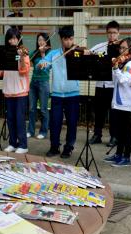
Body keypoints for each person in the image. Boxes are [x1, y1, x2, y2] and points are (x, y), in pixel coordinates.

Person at [38, 26, 89, 158]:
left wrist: (88, 55)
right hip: (57, 95)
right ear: (61, 39)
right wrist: (42, 64)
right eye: (66, 39)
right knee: (55, 123)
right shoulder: (54, 54)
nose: (68, 42)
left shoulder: (77, 52)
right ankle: (54, 147)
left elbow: (89, 63)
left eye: (71, 39)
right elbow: (44, 63)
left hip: (73, 94)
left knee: (72, 123)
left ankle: (69, 147)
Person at [0, 28, 30, 154]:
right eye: (10, 38)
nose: (13, 40)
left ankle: (23, 145)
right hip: (8, 90)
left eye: (15, 38)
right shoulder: (4, 53)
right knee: (10, 118)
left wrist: (20, 58)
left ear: (18, 39)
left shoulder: (24, 53)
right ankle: (13, 143)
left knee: (19, 119)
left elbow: (24, 71)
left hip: (20, 91)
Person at [103, 37, 131, 167]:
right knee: (119, 131)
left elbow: (123, 80)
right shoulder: (123, 63)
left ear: (130, 49)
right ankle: (118, 154)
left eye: (124, 48)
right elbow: (115, 79)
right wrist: (115, 67)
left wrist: (116, 68)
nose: (122, 50)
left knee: (126, 132)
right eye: (121, 48)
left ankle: (126, 157)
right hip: (117, 100)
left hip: (125, 102)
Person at [89, 20, 120, 147]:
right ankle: (97, 135)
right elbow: (89, 53)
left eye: (114, 33)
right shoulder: (100, 46)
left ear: (118, 33)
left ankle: (114, 136)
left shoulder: (121, 48)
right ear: (106, 33)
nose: (112, 35)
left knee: (113, 113)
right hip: (100, 84)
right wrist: (89, 53)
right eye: (109, 33)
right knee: (99, 112)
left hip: (114, 85)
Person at [27, 33, 51, 140]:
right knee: (32, 108)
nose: (40, 42)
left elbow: (46, 66)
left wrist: (42, 54)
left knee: (43, 109)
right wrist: (24, 54)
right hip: (33, 83)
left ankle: (43, 131)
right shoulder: (35, 52)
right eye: (39, 40)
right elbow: (27, 58)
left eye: (43, 40)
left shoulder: (49, 53)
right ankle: (30, 131)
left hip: (43, 83)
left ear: (47, 42)